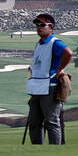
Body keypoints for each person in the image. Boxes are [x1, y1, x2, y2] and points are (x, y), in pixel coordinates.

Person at [24, 13, 71, 145]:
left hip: (50, 86)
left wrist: (59, 69)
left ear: (51, 27)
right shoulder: (39, 44)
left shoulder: (55, 43)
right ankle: (37, 149)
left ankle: (54, 151)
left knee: (51, 121)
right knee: (34, 122)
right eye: (37, 25)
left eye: (42, 25)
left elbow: (68, 53)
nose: (39, 27)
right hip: (36, 86)